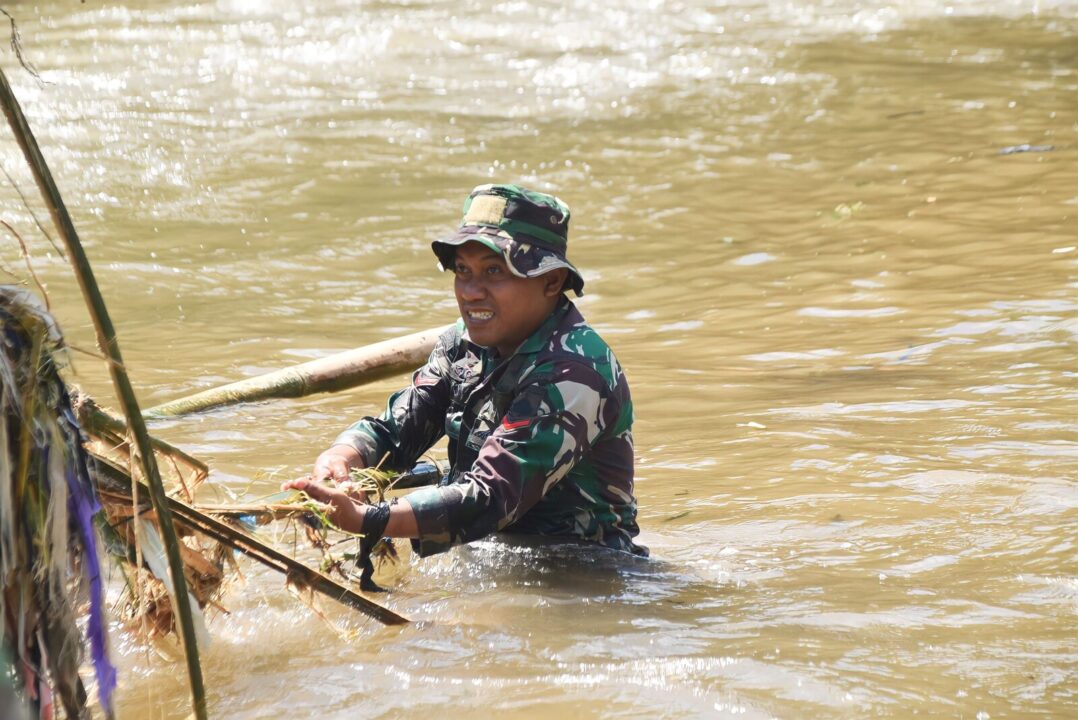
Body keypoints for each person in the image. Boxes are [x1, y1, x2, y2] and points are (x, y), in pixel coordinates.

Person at [284, 183, 645, 569]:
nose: (472, 292)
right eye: (462, 271)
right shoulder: (462, 341)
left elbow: (490, 496)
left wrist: (369, 519)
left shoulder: (574, 371)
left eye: (494, 271)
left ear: (551, 281)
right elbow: (398, 430)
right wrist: (342, 458)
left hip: (584, 577)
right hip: (490, 558)